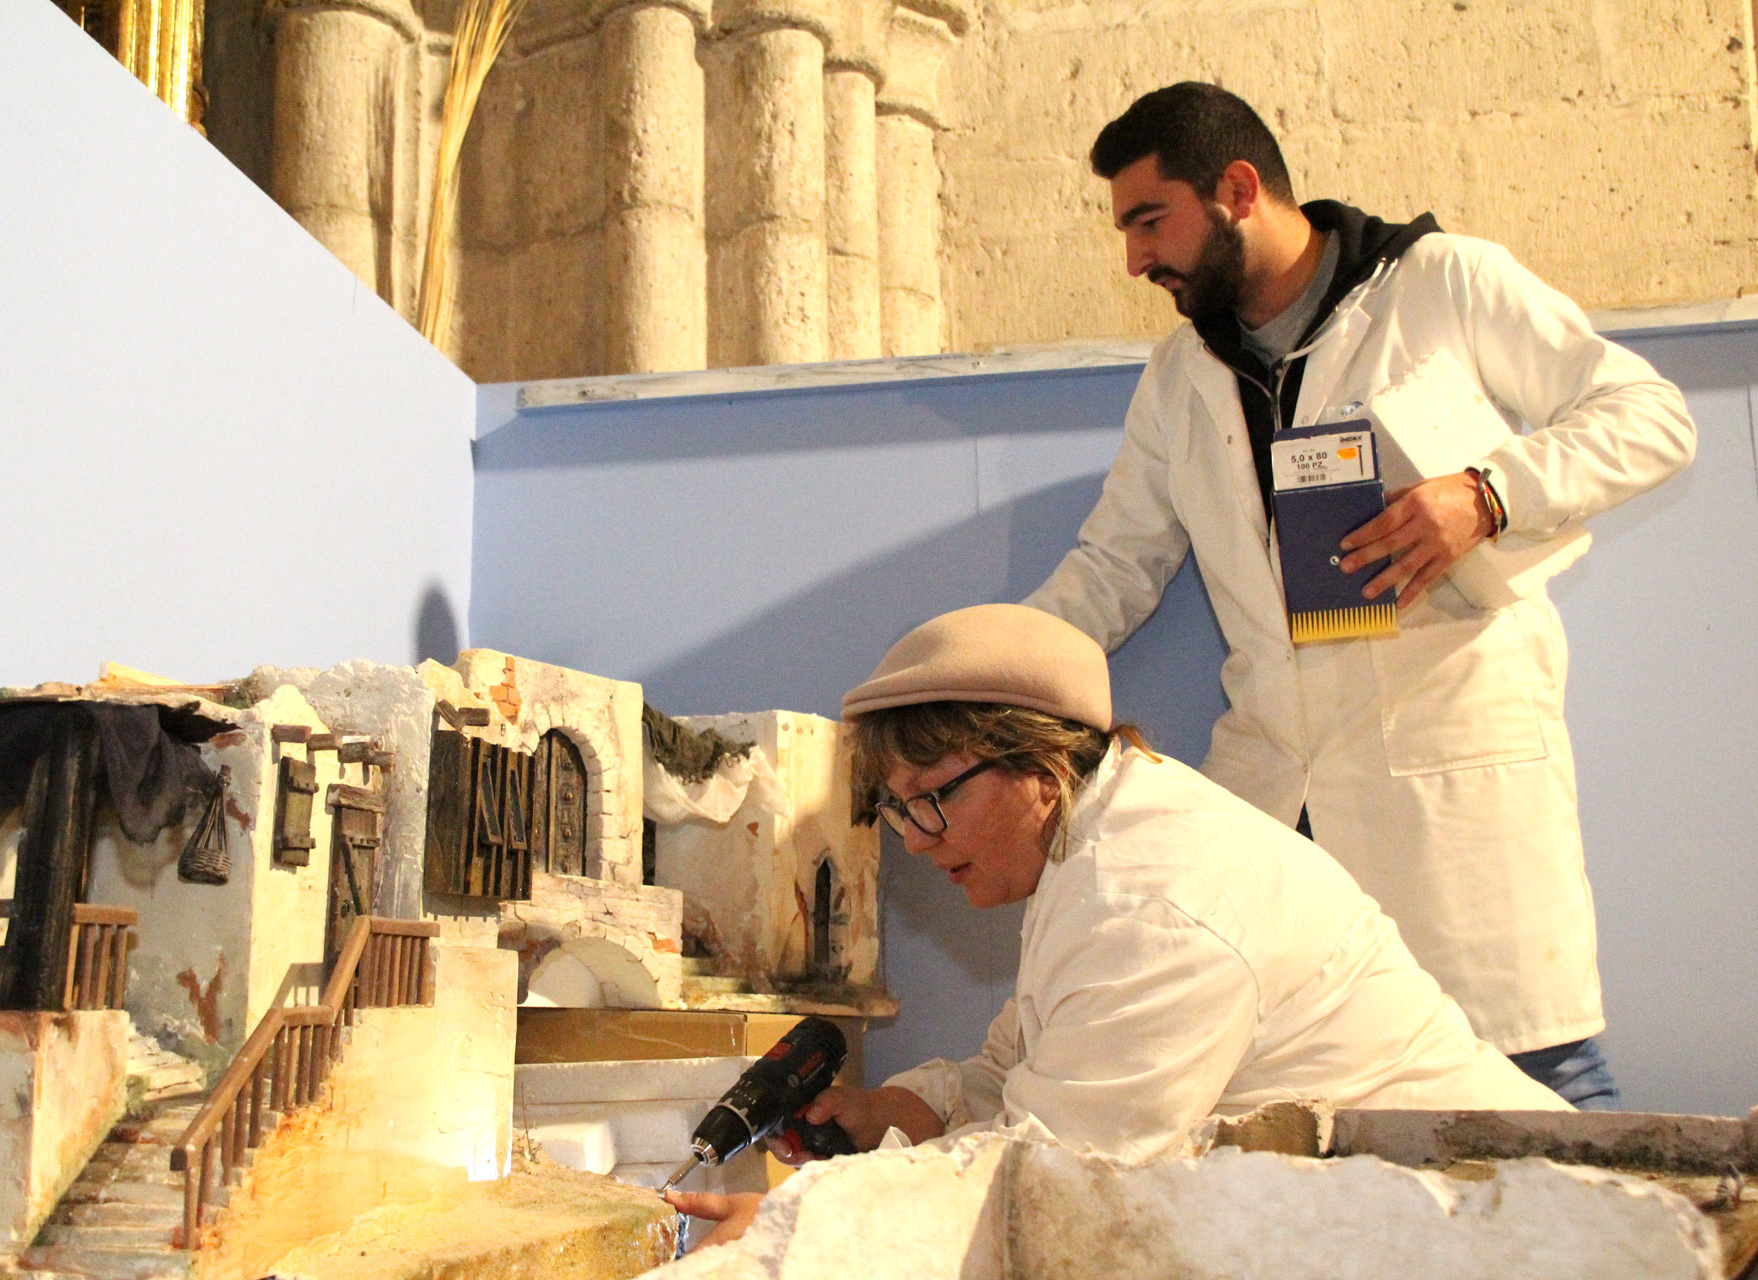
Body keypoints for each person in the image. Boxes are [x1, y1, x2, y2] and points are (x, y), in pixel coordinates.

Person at [1021, 83, 1697, 1107]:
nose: (1134, 258)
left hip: (1444, 792)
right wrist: (985, 673)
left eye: (1149, 219)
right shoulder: (1178, 377)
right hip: (1277, 807)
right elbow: (1116, 564)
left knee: (1536, 1101)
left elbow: (1652, 416)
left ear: (1238, 189)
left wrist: (1490, 495)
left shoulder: (1441, 286)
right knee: (1306, 1119)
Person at [669, 603, 1566, 1250]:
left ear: (1043, 762)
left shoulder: (1152, 899)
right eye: (898, 814)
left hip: (1505, 1233)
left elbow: (1048, 1184)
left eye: (932, 801)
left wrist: (812, 1233)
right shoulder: (1090, 856)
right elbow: (1028, 1071)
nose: (917, 842)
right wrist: (901, 1109)